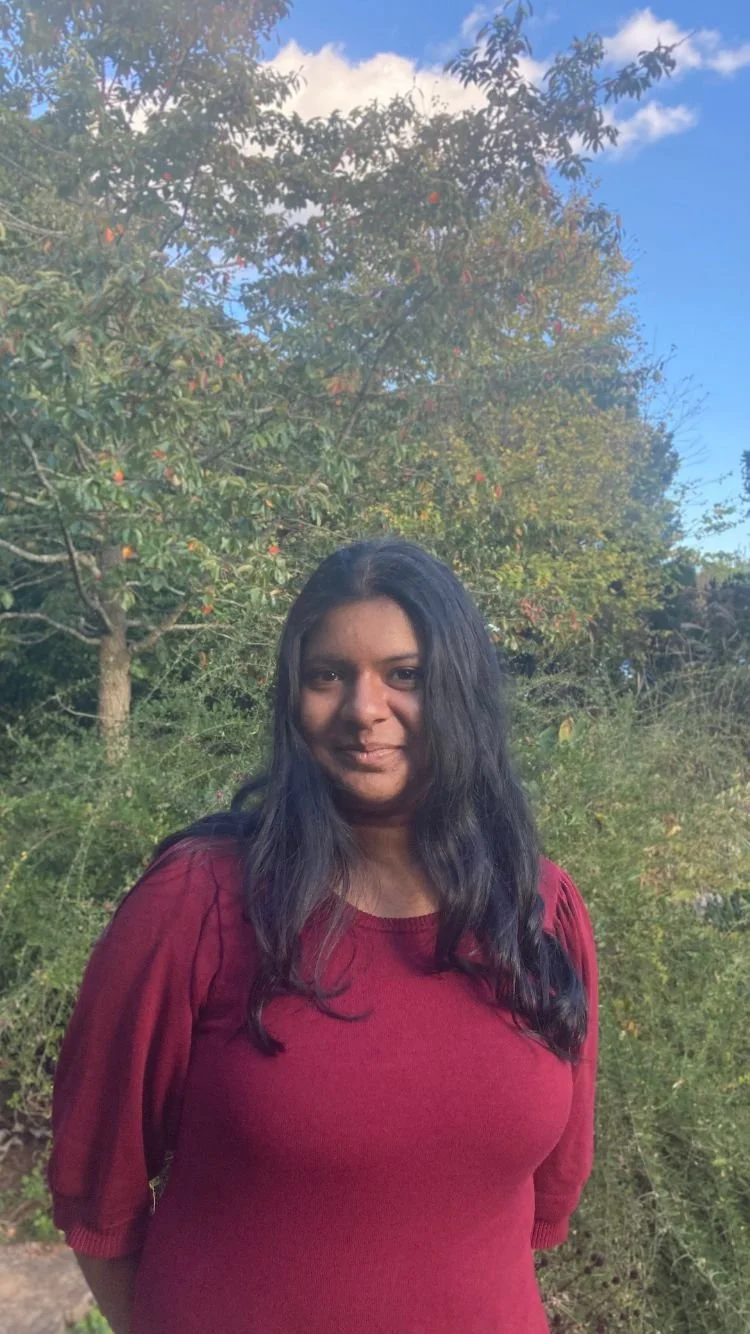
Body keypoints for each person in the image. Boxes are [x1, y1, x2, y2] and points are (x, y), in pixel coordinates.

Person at [48, 538, 598, 1334]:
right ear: (292, 696)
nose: (363, 709)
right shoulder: (197, 904)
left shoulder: (537, 908)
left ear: (461, 690)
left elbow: (543, 1197)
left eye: (405, 675)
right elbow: (99, 1198)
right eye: (327, 675)